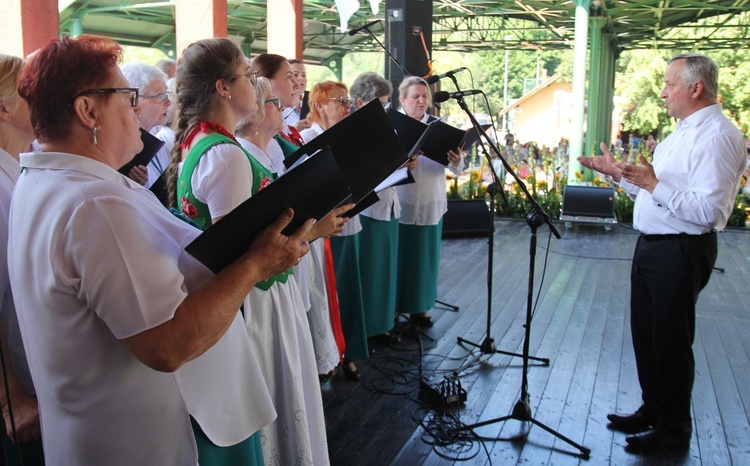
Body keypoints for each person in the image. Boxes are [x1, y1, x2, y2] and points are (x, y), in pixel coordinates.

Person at [11, 35, 315, 465]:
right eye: (126, 97)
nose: (138, 110)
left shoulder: (50, 180)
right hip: (161, 438)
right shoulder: (94, 206)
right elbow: (167, 345)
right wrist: (255, 265)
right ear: (87, 110)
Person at [165, 38, 346, 465]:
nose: (256, 84)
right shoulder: (226, 155)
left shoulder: (205, 142)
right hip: (256, 304)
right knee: (277, 400)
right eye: (246, 76)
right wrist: (312, 229)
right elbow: (244, 258)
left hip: (249, 297)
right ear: (222, 89)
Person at [579, 53, 746, 452]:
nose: (663, 91)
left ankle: (674, 430)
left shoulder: (719, 137)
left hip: (682, 249)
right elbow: (661, 194)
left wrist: (654, 184)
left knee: (671, 342)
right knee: (648, 336)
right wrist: (621, 176)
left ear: (695, 87)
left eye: (670, 84)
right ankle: (653, 408)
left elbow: (709, 211)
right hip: (654, 245)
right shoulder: (681, 132)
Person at [302, 81, 366, 380]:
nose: (346, 105)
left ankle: (346, 351)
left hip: (348, 221)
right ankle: (328, 356)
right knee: (325, 296)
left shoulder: (347, 136)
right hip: (321, 231)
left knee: (346, 293)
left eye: (346, 100)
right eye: (338, 100)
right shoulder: (306, 138)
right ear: (319, 106)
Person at [0, 53, 44, 466]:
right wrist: (11, 395)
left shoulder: (16, 171)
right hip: (17, 399)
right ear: (4, 107)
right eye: (28, 93)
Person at [394, 76, 463, 328]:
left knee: (425, 260)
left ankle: (421, 307)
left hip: (431, 202)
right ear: (403, 99)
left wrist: (456, 160)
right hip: (401, 203)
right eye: (415, 96)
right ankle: (394, 307)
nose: (422, 101)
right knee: (400, 259)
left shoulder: (438, 126)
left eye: (425, 96)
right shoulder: (393, 125)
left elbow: (457, 168)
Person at [349, 72, 405, 344]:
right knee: (371, 272)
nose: (385, 109)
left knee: (386, 270)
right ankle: (370, 327)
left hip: (390, 206)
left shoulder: (385, 127)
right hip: (368, 211)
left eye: (386, 104)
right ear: (360, 103)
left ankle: (384, 323)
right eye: (380, 104)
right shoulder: (351, 131)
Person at [120, 62, 172, 188]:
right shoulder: (121, 151)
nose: (168, 102)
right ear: (133, 99)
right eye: (160, 96)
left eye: (167, 94)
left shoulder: (159, 141)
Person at [250, 54, 305, 156]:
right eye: (289, 77)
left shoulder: (281, 129)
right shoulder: (262, 131)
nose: (296, 84)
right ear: (266, 81)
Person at [287, 59, 310, 130]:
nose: (301, 78)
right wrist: (295, 130)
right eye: (296, 75)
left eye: (304, 75)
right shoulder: (279, 110)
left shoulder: (311, 107)